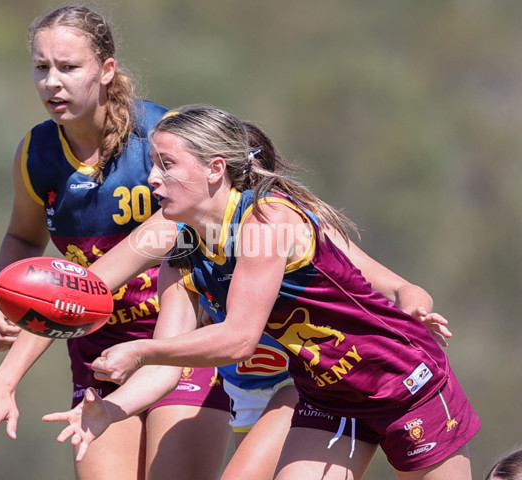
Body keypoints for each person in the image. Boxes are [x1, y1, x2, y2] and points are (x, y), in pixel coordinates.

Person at [42, 105, 479, 480]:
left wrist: (140, 352)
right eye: (152, 164)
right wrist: (112, 409)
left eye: (166, 164)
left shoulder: (266, 221)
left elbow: (239, 339)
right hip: (329, 396)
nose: (152, 178)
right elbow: (166, 366)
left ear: (215, 169)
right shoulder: (186, 252)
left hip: (403, 383)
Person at [0, 10, 231, 480]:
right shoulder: (36, 155)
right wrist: (6, 296)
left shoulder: (163, 142)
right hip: (99, 359)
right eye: (42, 68)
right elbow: (22, 236)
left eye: (69, 67)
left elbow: (83, 289)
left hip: (178, 346)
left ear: (107, 70)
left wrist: (4, 380)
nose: (52, 83)